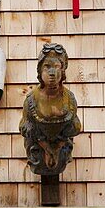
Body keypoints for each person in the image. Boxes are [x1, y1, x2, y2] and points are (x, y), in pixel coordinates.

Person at [20, 43, 81, 176]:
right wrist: (46, 149)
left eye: (57, 67)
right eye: (47, 67)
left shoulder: (69, 99)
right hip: (38, 151)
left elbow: (75, 127)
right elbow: (25, 126)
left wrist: (57, 148)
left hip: (61, 150)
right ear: (40, 70)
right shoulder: (32, 100)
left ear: (63, 70)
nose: (52, 73)